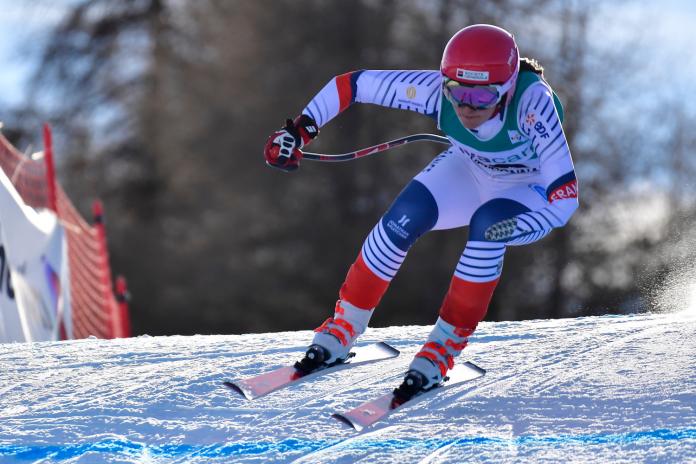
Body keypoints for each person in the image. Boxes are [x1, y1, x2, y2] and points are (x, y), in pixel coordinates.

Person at [263, 24, 578, 400]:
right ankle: (342, 329)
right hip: (470, 170)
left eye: (482, 97)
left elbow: (565, 196)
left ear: (508, 88)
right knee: (404, 216)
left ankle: (443, 349)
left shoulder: (533, 103)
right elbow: (352, 85)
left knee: (487, 225)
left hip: (529, 190)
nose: (466, 108)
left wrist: (514, 228)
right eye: (458, 93)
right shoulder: (433, 91)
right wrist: (299, 132)